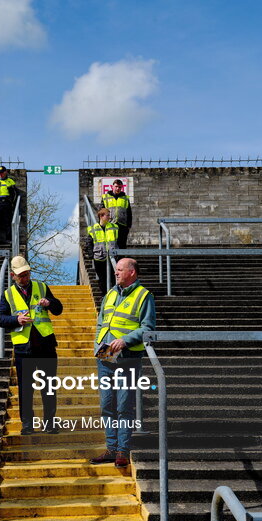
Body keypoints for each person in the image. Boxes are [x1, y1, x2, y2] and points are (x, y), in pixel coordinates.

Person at [91, 258, 155, 468]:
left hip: (128, 359)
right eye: (116, 269)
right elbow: (101, 322)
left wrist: (125, 341)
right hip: (106, 359)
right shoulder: (110, 294)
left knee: (124, 407)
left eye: (120, 269)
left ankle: (122, 451)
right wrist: (98, 345)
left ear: (132, 272)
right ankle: (111, 448)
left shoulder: (144, 296)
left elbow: (148, 328)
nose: (116, 272)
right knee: (106, 405)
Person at [0, 255, 64, 434]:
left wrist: (50, 303)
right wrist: (16, 319)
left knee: (48, 387)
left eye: (27, 274)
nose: (25, 278)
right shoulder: (8, 294)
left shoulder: (41, 287)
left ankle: (49, 423)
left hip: (46, 345)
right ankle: (27, 424)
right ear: (13, 276)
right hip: (24, 348)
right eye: (21, 275)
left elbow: (58, 309)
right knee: (26, 389)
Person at [86, 206, 118, 289]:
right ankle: (104, 295)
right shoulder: (93, 229)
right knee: (102, 278)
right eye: (107, 215)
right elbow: (89, 243)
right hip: (99, 257)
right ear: (101, 216)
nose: (109, 217)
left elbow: (119, 241)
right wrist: (91, 255)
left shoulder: (114, 227)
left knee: (114, 278)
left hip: (112, 256)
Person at [101, 179, 132, 248]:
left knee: (122, 245)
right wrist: (102, 224)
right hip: (110, 224)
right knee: (111, 244)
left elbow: (129, 212)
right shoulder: (105, 197)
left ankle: (121, 258)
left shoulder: (125, 198)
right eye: (116, 186)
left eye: (120, 187)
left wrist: (129, 225)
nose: (118, 188)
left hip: (122, 225)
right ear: (112, 187)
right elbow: (102, 212)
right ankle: (112, 258)